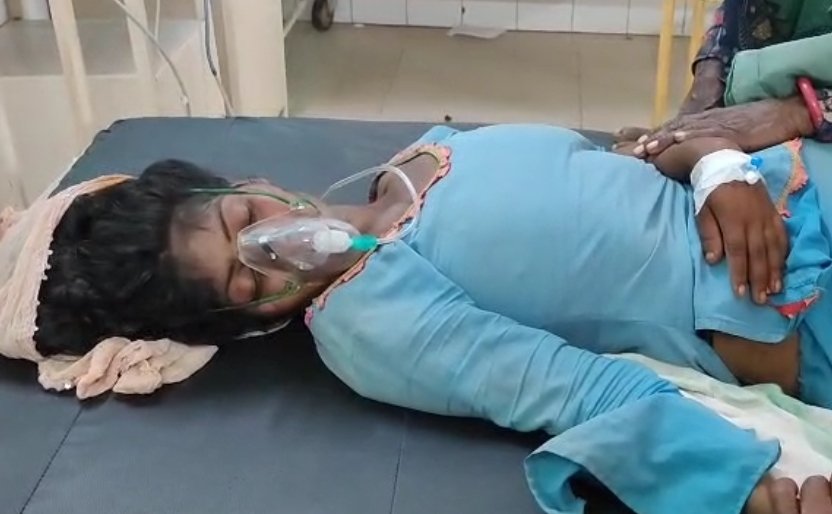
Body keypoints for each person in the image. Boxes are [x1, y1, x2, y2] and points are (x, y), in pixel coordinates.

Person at [15, 94, 832, 512]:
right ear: (250, 324)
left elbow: (631, 160)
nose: (280, 251)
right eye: (248, 282)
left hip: (791, 181)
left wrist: (714, 165)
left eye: (247, 220)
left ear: (252, 181)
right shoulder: (367, 319)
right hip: (794, 307)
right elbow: (568, 387)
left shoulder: (427, 155)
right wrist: (728, 481)